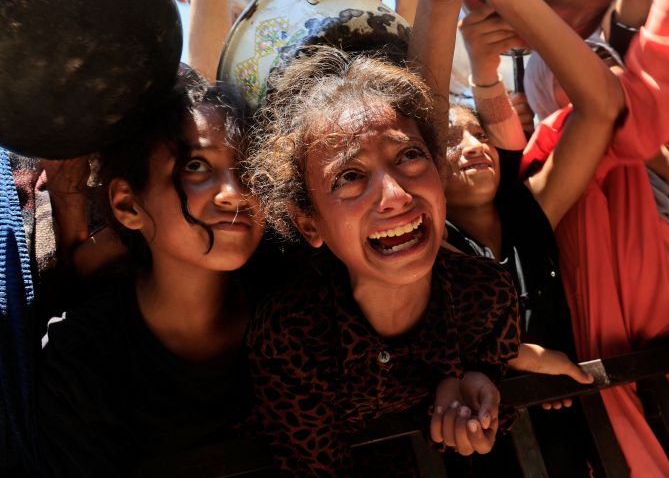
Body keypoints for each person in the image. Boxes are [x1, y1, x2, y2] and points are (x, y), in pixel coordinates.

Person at [241, 40, 595, 476]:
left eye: (409, 156)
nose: (395, 196)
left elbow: (491, 408)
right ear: (309, 224)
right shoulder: (294, 329)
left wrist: (475, 395)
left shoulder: (486, 295)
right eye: (350, 177)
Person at [452, 0, 669, 478]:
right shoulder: (546, 167)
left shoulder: (668, 154)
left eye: (612, 67)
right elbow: (600, 112)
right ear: (554, 84)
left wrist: (656, 156)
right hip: (605, 379)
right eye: (585, 69)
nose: (612, 81)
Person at [27, 67, 267, 477]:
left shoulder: (293, 302)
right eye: (195, 167)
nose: (236, 193)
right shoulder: (82, 361)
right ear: (127, 206)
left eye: (247, 168)